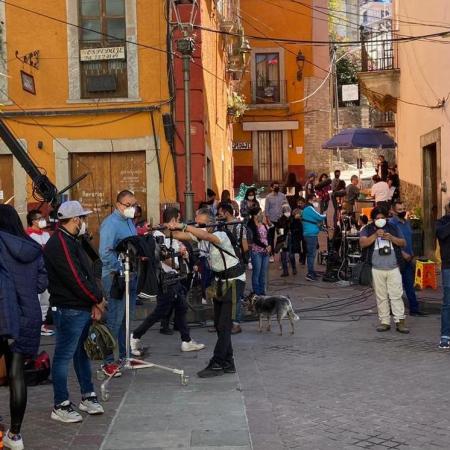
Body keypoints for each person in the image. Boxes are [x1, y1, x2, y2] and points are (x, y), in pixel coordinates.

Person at [43, 201, 106, 423]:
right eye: (83, 218)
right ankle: (60, 404)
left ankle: (87, 395)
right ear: (76, 219)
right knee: (63, 356)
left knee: (81, 353)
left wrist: (94, 301)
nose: (84, 222)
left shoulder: (71, 240)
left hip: (79, 306)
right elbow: (76, 279)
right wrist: (97, 299)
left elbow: (86, 273)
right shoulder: (60, 243)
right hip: (69, 307)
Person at [168, 208, 246, 378]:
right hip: (219, 280)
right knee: (219, 324)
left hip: (234, 280)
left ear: (211, 223)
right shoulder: (202, 234)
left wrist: (184, 226)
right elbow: (180, 235)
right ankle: (228, 362)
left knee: (224, 324)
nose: (198, 227)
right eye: (196, 224)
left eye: (201, 224)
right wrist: (170, 228)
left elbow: (205, 236)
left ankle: (217, 362)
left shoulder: (220, 234)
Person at [0, 204, 47, 449]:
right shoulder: (32, 248)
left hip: (3, 312)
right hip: (28, 315)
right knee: (17, 373)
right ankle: (15, 435)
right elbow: (41, 284)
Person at [129, 207, 205, 355]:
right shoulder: (159, 235)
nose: (180, 222)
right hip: (165, 279)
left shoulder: (169, 234)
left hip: (172, 278)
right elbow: (163, 257)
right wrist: (177, 265)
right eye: (179, 219)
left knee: (181, 307)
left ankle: (186, 340)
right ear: (173, 220)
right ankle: (135, 335)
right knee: (160, 311)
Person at [99, 190, 138, 377]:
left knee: (126, 320)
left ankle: (124, 357)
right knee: (114, 320)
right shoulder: (110, 224)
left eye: (134, 205)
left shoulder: (129, 221)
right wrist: (121, 269)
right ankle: (107, 362)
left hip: (131, 275)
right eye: (128, 205)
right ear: (118, 205)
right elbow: (105, 253)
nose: (131, 208)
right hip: (115, 277)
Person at [360, 207, 409, 333]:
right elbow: (363, 243)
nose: (380, 220)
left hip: (394, 267)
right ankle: (384, 321)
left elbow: (403, 243)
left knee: (396, 295)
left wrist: (392, 238)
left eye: (383, 217)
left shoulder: (393, 227)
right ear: (373, 219)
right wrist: (375, 235)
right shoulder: (368, 229)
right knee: (381, 297)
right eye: (377, 218)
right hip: (376, 268)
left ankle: (400, 322)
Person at [390, 201, 427, 317]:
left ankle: (414, 309)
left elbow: (409, 239)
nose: (402, 211)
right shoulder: (391, 224)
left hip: (409, 258)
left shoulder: (407, 223)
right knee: (395, 286)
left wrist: (411, 254)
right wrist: (402, 253)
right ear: (393, 211)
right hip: (397, 259)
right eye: (399, 210)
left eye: (403, 209)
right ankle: (393, 309)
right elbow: (390, 242)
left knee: (409, 285)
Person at [217, 202, 249, 334]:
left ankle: (236, 323)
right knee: (225, 295)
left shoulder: (239, 226)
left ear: (226, 212)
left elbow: (245, 247)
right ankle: (225, 322)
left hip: (236, 264)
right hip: (224, 265)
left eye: (220, 213)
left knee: (236, 295)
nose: (218, 216)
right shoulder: (222, 226)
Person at [26, 209, 54, 336]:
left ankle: (42, 325)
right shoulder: (27, 235)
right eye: (40, 218)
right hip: (33, 272)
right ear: (33, 221)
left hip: (46, 271)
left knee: (45, 300)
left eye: (43, 218)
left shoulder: (46, 234)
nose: (43, 220)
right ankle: (33, 326)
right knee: (34, 300)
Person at [301, 195, 326, 281]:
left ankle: (311, 271)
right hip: (310, 235)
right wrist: (325, 215)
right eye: (314, 200)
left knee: (311, 254)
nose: (316, 202)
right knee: (311, 255)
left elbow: (314, 219)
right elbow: (319, 217)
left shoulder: (307, 208)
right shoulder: (309, 208)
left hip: (310, 234)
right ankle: (310, 274)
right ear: (310, 200)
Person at [436, 201, 450, 349]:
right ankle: (445, 336)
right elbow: (441, 234)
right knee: (448, 303)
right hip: (448, 267)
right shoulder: (441, 223)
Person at [247, 208, 271, 295]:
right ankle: (256, 293)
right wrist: (265, 246)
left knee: (263, 273)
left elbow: (268, 236)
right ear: (255, 215)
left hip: (265, 252)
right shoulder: (251, 225)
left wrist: (269, 245)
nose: (262, 214)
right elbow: (255, 239)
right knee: (257, 272)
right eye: (260, 213)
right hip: (256, 252)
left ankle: (262, 291)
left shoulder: (263, 224)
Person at [264, 181, 287, 262]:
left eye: (278, 186)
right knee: (270, 237)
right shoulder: (268, 197)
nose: (276, 188)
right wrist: (268, 220)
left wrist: (286, 217)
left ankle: (281, 255)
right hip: (271, 221)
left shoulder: (283, 196)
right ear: (271, 188)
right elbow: (266, 209)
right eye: (275, 186)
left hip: (280, 221)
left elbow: (286, 207)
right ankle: (271, 255)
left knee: (281, 237)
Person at [277, 203, 297, 277]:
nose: (287, 212)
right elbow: (279, 231)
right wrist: (283, 233)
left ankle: (294, 268)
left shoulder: (293, 218)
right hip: (283, 239)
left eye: (288, 210)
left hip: (291, 238)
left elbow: (296, 228)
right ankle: (285, 271)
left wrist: (292, 231)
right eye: (285, 211)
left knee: (291, 255)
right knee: (283, 256)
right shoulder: (280, 219)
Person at [292, 197, 307, 265]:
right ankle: (300, 255)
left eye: (301, 203)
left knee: (304, 245)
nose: (300, 204)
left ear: (304, 203)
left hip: (305, 229)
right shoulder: (295, 210)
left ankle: (303, 258)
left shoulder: (307, 210)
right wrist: (294, 217)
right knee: (298, 245)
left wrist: (301, 216)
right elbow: (292, 219)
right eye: (298, 203)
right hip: (297, 230)